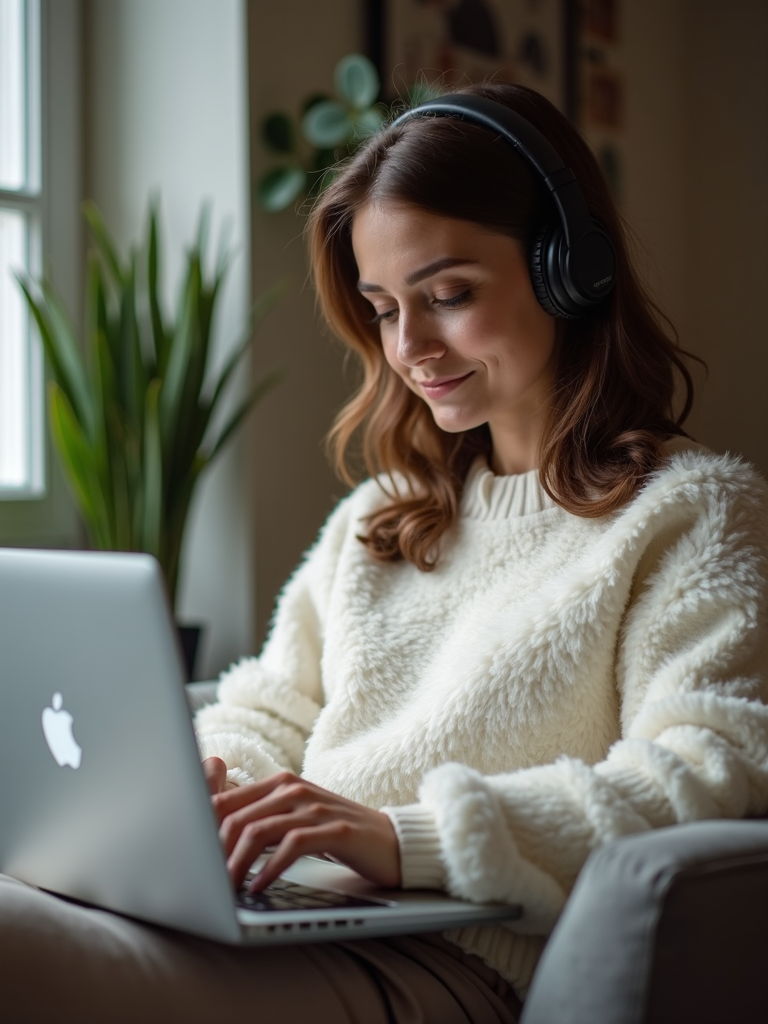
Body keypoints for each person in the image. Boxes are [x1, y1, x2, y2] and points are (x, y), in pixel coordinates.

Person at [3, 82, 768, 1024]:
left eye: (448, 295)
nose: (411, 347)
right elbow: (268, 706)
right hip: (300, 918)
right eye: (382, 307)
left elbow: (708, 774)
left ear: (570, 270)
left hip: (454, 961)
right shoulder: (383, 517)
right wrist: (204, 786)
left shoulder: (693, 514)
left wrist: (403, 840)